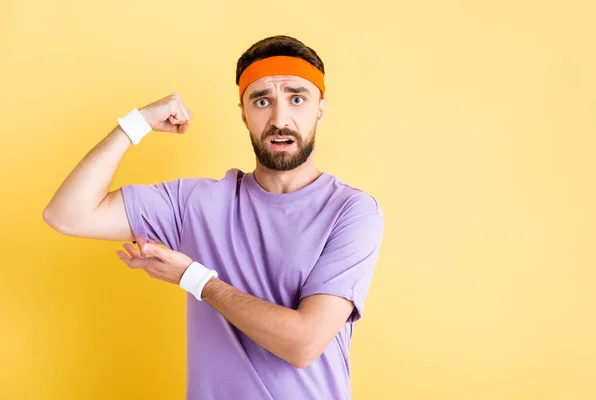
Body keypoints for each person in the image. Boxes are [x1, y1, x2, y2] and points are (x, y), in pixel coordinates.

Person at [43, 35, 384, 400]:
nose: (279, 119)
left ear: (320, 109)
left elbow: (303, 343)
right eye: (262, 100)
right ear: (243, 113)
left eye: (297, 98)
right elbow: (67, 214)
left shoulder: (351, 212)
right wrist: (135, 124)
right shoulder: (196, 202)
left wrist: (194, 278)